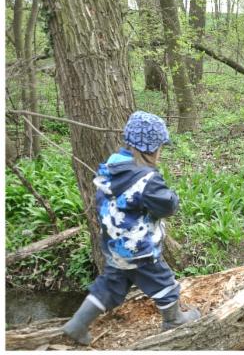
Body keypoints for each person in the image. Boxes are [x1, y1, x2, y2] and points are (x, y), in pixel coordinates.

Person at [62, 111, 200, 345]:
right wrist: (173, 198)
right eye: (160, 147)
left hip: (114, 246)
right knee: (163, 281)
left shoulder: (111, 168)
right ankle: (174, 320)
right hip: (139, 248)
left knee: (110, 284)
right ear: (152, 149)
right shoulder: (146, 178)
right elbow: (166, 206)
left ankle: (77, 324)